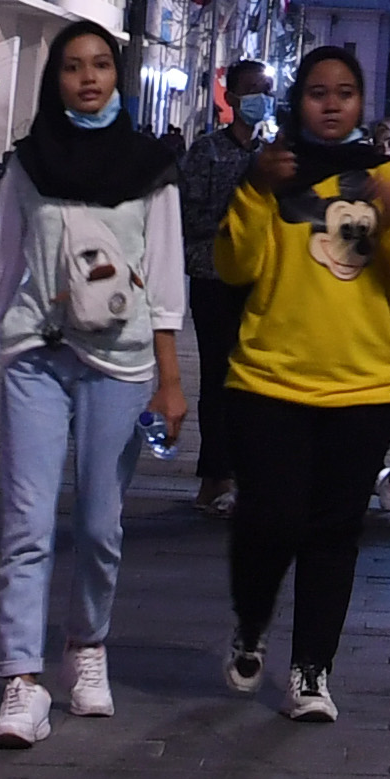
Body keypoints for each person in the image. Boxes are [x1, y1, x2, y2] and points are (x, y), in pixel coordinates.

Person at [0, 20, 189, 748]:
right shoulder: (30, 163)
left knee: (97, 524)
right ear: (55, 80)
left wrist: (171, 383)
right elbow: (1, 263)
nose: (88, 78)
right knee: (25, 524)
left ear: (119, 76)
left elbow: (168, 278)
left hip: (121, 358)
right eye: (73, 67)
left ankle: (87, 647)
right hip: (36, 352)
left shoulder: (150, 166)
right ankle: (21, 682)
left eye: (101, 66)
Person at [212, 46, 390, 723]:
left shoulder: (385, 176)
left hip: (365, 386)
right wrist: (255, 188)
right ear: (296, 101)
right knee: (268, 520)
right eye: (317, 91)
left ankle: (311, 670)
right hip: (270, 379)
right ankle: (251, 624)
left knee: (334, 534)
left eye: (344, 91)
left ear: (362, 103)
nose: (331, 102)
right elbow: (232, 264)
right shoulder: (272, 171)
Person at [175, 64, 274, 520]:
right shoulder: (205, 153)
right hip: (213, 277)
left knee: (252, 379)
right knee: (217, 376)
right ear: (231, 98)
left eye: (267, 92)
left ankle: (245, 472)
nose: (261, 99)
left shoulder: (274, 155)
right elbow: (187, 217)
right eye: (253, 91)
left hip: (259, 282)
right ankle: (214, 474)